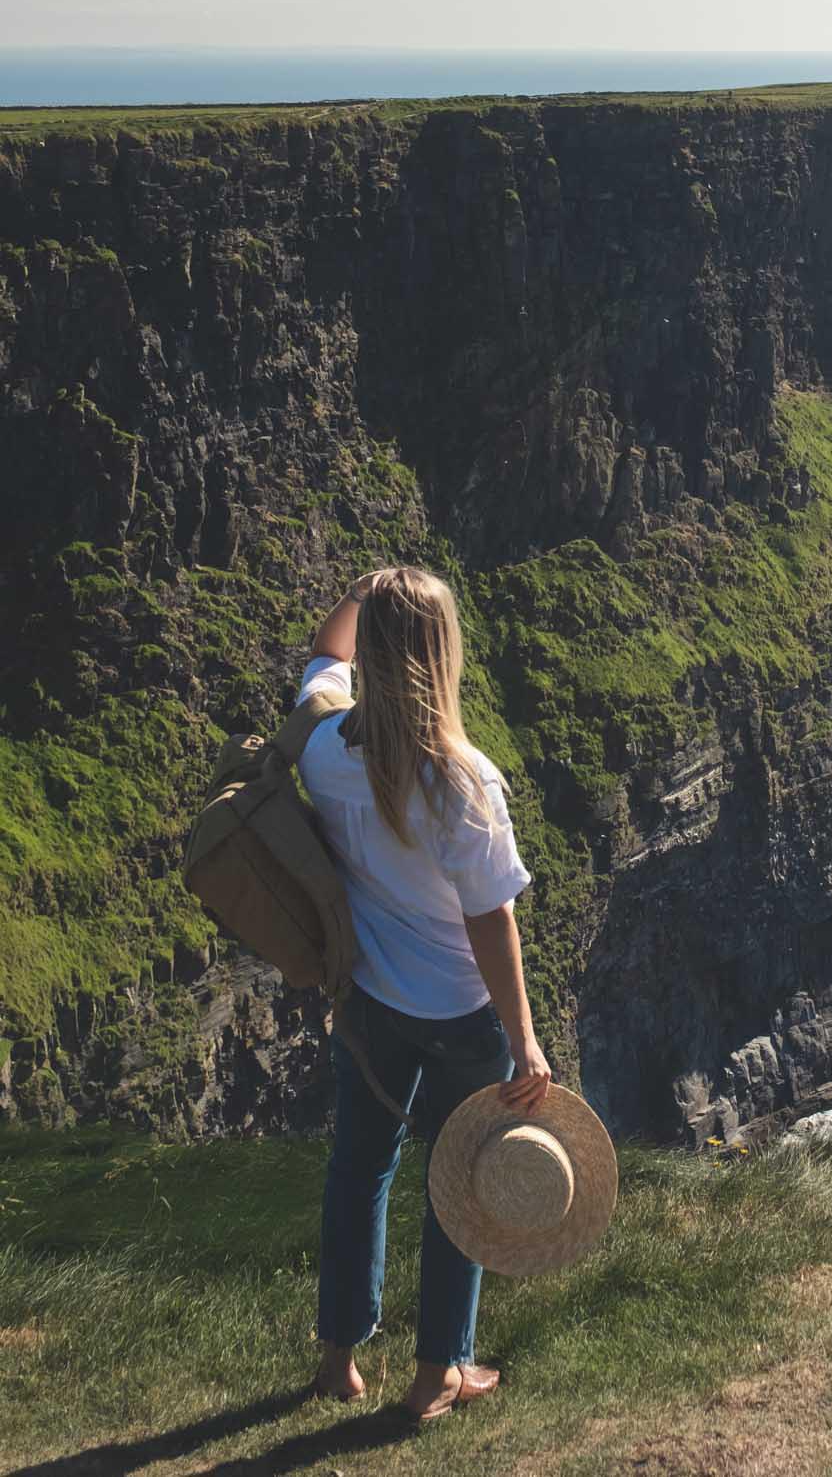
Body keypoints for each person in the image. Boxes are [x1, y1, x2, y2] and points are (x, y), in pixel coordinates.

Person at [296, 565, 551, 1423]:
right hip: (457, 1014)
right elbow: (492, 923)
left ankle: (338, 1358)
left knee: (359, 1170)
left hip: (367, 999)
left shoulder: (325, 748)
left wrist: (360, 596)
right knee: (459, 1183)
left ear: (374, 651)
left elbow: (322, 654)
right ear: (444, 655)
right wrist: (525, 1039)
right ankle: (439, 1371)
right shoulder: (463, 781)